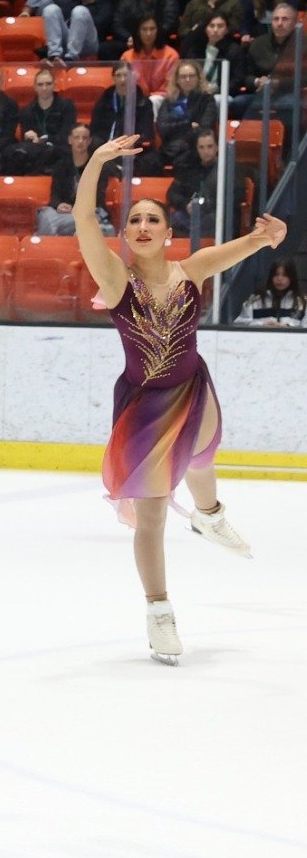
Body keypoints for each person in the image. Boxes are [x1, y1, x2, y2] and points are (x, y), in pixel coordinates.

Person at [73, 134, 282, 665]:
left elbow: (245, 247)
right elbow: (81, 222)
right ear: (126, 235)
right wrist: (97, 161)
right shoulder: (115, 279)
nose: (142, 227)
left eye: (152, 220)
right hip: (145, 406)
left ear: (169, 232)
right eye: (134, 221)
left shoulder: (192, 270)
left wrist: (269, 238)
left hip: (193, 386)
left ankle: (209, 514)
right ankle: (159, 612)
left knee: (205, 453)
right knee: (152, 516)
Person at [233, 260, 305, 325]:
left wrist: (289, 325)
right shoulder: (255, 300)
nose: (279, 279)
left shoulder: (302, 302)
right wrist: (262, 324)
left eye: (284, 275)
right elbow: (239, 323)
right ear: (271, 277)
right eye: (276, 275)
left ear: (292, 278)